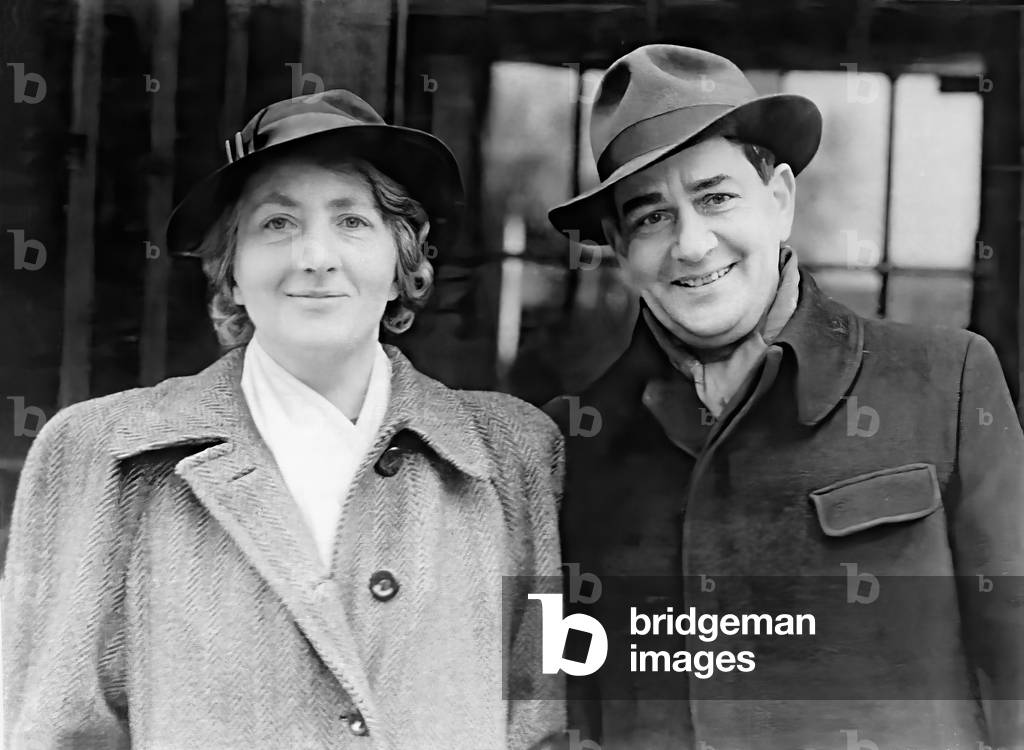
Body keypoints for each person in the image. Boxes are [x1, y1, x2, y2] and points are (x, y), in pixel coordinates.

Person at [3, 89, 564, 749]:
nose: (315, 257)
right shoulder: (103, 454)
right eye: (277, 223)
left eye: (352, 221)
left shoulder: (511, 456)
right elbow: (54, 731)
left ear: (401, 265)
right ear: (232, 273)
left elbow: (541, 722)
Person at [546, 45, 1024, 749]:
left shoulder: (945, 382)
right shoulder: (570, 444)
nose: (692, 243)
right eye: (651, 217)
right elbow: (563, 704)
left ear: (779, 200)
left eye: (715, 197)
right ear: (619, 245)